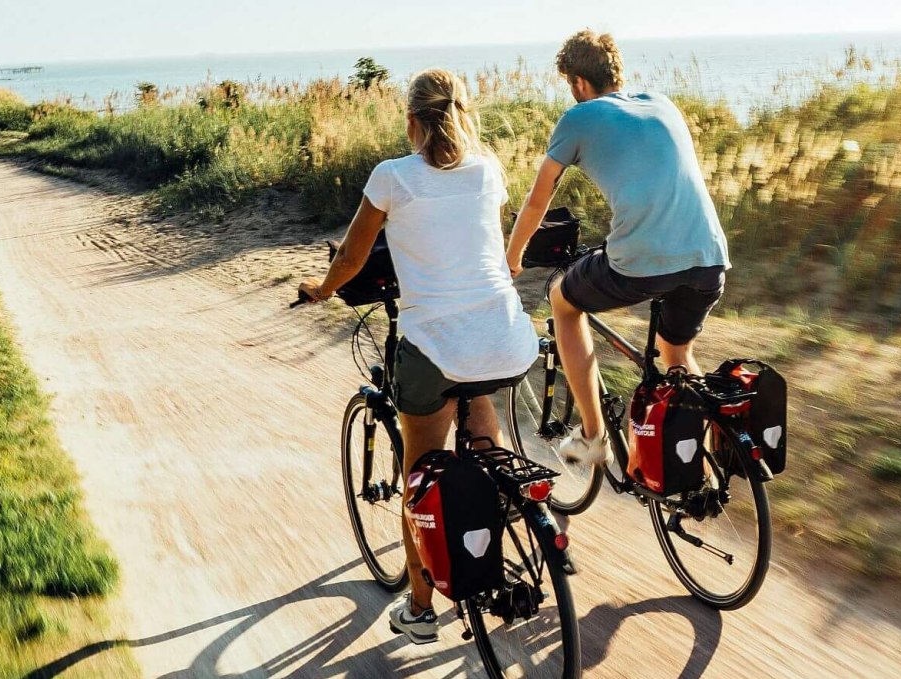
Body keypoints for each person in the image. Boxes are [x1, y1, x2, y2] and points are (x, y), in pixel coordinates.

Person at [298, 69, 536, 645]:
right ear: (464, 114)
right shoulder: (489, 170)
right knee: (479, 410)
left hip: (435, 344)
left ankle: (422, 606)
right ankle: (508, 504)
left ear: (411, 122)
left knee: (420, 471)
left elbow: (354, 256)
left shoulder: (392, 176)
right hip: (505, 336)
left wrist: (322, 290)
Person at [504, 30, 731, 465]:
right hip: (709, 257)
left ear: (578, 83)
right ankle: (718, 442)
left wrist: (512, 257)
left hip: (642, 262)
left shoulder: (579, 117)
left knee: (563, 303)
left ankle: (593, 438)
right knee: (676, 353)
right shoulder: (663, 104)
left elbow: (537, 201)